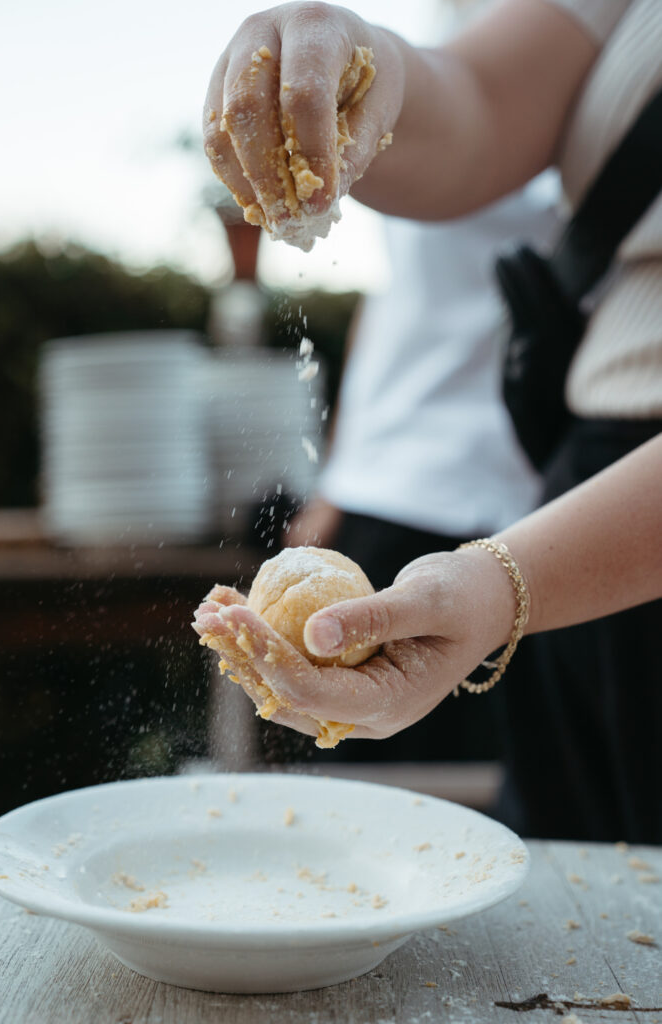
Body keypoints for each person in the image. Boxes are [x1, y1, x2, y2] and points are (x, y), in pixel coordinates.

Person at [197, 0, 662, 841]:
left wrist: (495, 587)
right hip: (574, 522)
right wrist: (363, 63)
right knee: (580, 919)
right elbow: (481, 108)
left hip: (570, 536)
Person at [285, 180, 560, 763]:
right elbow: (391, 301)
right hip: (389, 488)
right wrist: (336, 480)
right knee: (361, 764)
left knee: (504, 774)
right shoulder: (412, 128)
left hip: (542, 511)